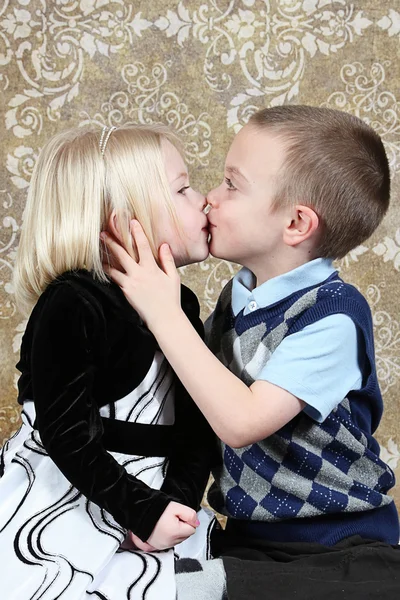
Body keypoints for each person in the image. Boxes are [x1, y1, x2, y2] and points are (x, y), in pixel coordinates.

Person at [102, 106, 400, 600]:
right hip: (249, 533)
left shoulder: (332, 318)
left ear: (296, 223)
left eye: (230, 185)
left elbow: (241, 421)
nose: (209, 200)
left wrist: (164, 313)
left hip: (337, 539)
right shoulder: (237, 296)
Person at [0, 123, 216, 600]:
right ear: (123, 222)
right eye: (182, 188)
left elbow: (198, 425)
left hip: (153, 496)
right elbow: (65, 433)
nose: (202, 199)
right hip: (72, 486)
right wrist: (137, 510)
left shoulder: (181, 306)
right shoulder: (73, 302)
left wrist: (173, 505)